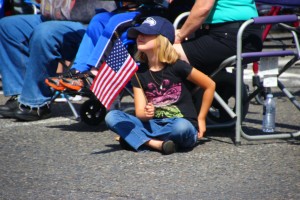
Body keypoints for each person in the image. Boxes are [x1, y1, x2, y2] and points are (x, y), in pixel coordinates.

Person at [105, 16, 216, 155]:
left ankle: (137, 139)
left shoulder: (178, 66)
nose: (140, 36)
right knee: (112, 116)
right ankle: (156, 144)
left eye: (146, 33)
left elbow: (210, 85)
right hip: (153, 124)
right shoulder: (138, 73)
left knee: (180, 128)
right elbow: (140, 113)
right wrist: (146, 114)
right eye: (139, 33)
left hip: (181, 123)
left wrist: (201, 118)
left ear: (162, 40)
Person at [0, 0, 117, 121]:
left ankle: (36, 103)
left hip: (90, 24)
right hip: (51, 18)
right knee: (9, 26)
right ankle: (20, 95)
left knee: (46, 32)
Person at [173, 0, 263, 76]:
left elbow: (203, 7)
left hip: (229, 35)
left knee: (165, 51)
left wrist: (180, 35)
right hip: (251, 36)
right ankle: (224, 85)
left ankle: (177, 95)